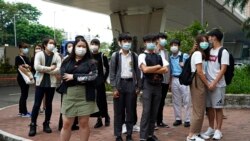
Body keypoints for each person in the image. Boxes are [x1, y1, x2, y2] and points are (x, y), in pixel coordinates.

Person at [59, 37, 98, 141]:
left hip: (86, 95)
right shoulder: (66, 60)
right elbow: (63, 76)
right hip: (69, 94)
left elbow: (93, 77)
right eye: (79, 46)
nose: (81, 48)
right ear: (74, 47)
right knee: (67, 123)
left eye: (84, 46)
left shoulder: (91, 62)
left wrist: (74, 76)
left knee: (83, 123)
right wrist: (84, 76)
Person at [109, 32, 141, 141]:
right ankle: (118, 135)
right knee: (118, 111)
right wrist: (114, 88)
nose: (127, 43)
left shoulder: (134, 56)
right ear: (120, 43)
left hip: (131, 84)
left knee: (130, 110)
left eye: (128, 41)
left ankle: (129, 134)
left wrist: (138, 87)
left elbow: (138, 72)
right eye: (124, 41)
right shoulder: (115, 56)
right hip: (119, 84)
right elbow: (112, 73)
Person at [28, 37, 62, 136]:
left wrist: (45, 69)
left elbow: (59, 69)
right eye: (51, 43)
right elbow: (36, 67)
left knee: (49, 105)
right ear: (45, 45)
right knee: (37, 104)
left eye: (54, 44)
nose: (53, 45)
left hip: (51, 84)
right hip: (40, 83)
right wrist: (51, 68)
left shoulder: (57, 56)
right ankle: (33, 124)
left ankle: (46, 123)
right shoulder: (39, 54)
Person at [138, 34, 168, 141]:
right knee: (146, 111)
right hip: (147, 85)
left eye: (153, 42)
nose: (151, 44)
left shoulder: (159, 56)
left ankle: (150, 135)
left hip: (158, 85)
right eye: (148, 42)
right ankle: (143, 136)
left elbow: (166, 69)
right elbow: (144, 70)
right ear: (145, 43)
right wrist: (157, 67)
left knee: (154, 111)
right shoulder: (142, 56)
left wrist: (153, 69)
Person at [200, 28, 229, 140]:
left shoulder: (223, 51)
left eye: (210, 36)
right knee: (209, 108)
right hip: (208, 85)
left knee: (218, 108)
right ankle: (211, 128)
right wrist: (208, 83)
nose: (209, 39)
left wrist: (214, 83)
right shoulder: (209, 51)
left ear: (215, 37)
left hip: (218, 85)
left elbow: (223, 69)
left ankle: (218, 130)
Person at [186, 35, 210, 141]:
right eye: (203, 41)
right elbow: (199, 72)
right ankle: (191, 135)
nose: (205, 43)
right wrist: (208, 84)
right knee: (198, 109)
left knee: (200, 108)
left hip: (198, 81)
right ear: (198, 43)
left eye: (206, 41)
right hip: (198, 81)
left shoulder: (200, 54)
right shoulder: (198, 54)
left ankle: (197, 132)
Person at [169, 39, 191, 127]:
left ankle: (187, 120)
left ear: (179, 46)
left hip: (183, 79)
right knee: (176, 100)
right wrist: (170, 82)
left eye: (175, 45)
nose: (174, 47)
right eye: (172, 45)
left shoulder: (184, 56)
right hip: (174, 79)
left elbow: (190, 66)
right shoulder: (170, 57)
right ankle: (178, 118)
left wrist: (184, 65)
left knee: (186, 100)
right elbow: (170, 70)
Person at [89, 38, 110, 128]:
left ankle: (106, 117)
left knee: (102, 100)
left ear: (99, 46)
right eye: (92, 43)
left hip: (100, 81)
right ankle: (99, 119)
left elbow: (107, 68)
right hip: (91, 81)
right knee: (94, 101)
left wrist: (104, 79)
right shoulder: (88, 56)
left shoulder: (102, 55)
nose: (94, 45)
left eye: (96, 44)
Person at [58, 41, 79, 131]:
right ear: (66, 48)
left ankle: (73, 124)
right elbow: (63, 73)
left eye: (72, 46)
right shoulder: (66, 59)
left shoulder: (78, 58)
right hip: (66, 85)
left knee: (75, 106)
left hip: (76, 86)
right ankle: (61, 125)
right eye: (69, 46)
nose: (71, 48)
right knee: (65, 107)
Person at [155, 32, 170, 128]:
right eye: (161, 38)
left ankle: (159, 121)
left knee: (162, 101)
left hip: (165, 80)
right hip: (156, 80)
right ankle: (153, 122)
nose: (163, 40)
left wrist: (169, 80)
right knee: (155, 101)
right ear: (157, 40)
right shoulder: (153, 51)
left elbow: (168, 66)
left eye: (165, 38)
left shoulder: (166, 52)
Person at [15, 42, 32, 118]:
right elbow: (20, 68)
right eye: (24, 48)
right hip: (22, 78)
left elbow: (30, 68)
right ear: (20, 49)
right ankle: (24, 112)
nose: (26, 49)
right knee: (24, 94)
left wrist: (27, 66)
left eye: (27, 48)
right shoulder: (18, 58)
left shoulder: (27, 58)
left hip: (26, 78)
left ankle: (21, 112)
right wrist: (29, 75)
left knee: (24, 95)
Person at [31, 44, 47, 114]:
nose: (37, 49)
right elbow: (33, 68)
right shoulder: (33, 58)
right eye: (36, 48)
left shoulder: (44, 57)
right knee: (38, 93)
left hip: (45, 75)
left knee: (45, 93)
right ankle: (38, 108)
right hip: (36, 76)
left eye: (39, 48)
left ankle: (44, 107)